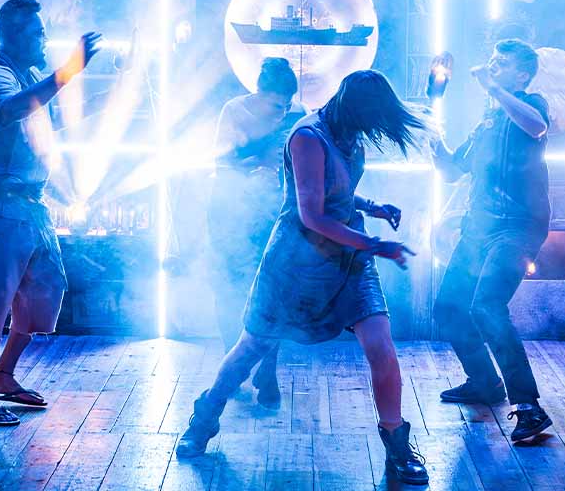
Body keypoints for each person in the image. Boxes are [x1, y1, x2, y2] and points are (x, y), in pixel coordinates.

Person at [176, 70, 430, 485]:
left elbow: (337, 193)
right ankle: (204, 417)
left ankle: (397, 443)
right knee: (252, 346)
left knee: (381, 346)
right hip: (297, 262)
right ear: (353, 108)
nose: (372, 130)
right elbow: (310, 213)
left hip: (349, 258)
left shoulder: (350, 133)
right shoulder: (307, 136)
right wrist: (373, 244)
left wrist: (373, 206)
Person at [0, 0, 107, 426]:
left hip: (29, 202)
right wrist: (69, 70)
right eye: (37, 32)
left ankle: (4, 373)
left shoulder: (32, 75)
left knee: (46, 289)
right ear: (13, 36)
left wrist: (105, 95)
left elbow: (44, 120)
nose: (44, 38)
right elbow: (12, 109)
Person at [430, 38, 555, 444]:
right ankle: (484, 382)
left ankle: (529, 408)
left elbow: (537, 126)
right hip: (478, 226)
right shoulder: (487, 121)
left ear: (521, 74)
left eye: (502, 63)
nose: (492, 65)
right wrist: (434, 144)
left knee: (486, 305)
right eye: (493, 59)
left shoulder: (531, 104)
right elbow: (453, 171)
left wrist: (495, 90)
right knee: (449, 305)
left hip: (518, 226)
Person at [208, 57, 302, 408]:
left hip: (275, 210)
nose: (283, 110)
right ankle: (230, 367)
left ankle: (269, 369)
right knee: (228, 285)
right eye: (276, 104)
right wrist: (255, 164)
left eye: (288, 104)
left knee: (273, 290)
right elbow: (221, 161)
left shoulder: (296, 114)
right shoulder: (233, 111)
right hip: (230, 209)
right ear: (258, 93)